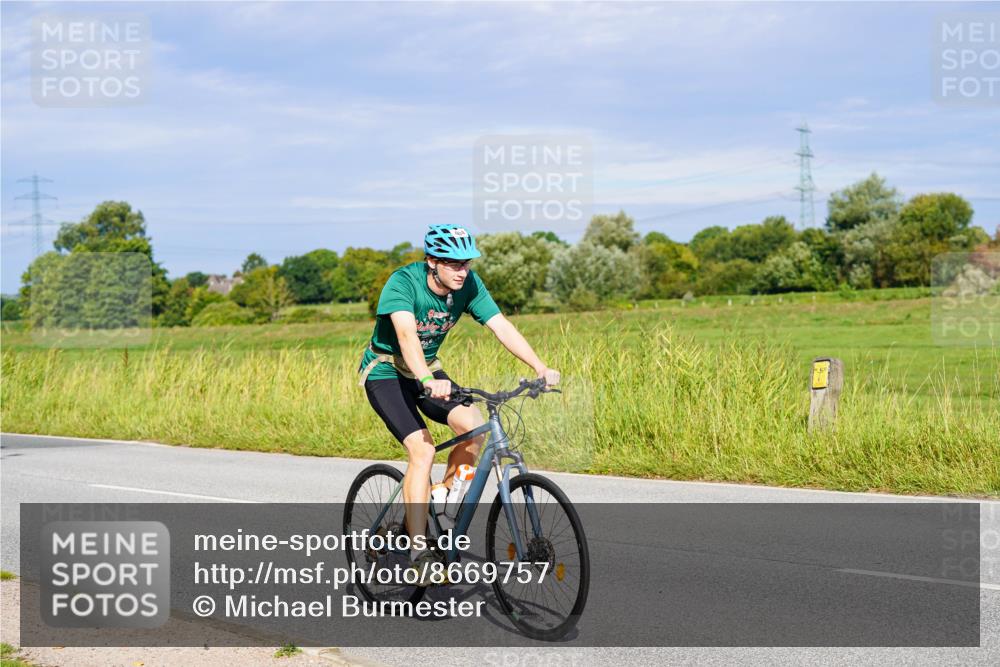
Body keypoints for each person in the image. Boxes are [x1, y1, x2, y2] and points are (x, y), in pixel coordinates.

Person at [358, 223, 560, 582]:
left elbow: (501, 326)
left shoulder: (469, 285)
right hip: (386, 371)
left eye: (466, 263)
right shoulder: (403, 283)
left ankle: (443, 502)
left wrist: (540, 366)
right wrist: (424, 381)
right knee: (423, 452)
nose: (462, 270)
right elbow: (406, 337)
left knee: (473, 426)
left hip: (429, 371)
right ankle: (419, 552)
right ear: (432, 261)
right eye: (453, 264)